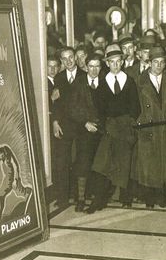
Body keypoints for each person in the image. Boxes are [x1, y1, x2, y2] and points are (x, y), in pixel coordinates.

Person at [89, 44, 141, 213]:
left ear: (123, 63)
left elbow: (136, 106)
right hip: (110, 128)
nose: (116, 65)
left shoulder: (130, 81)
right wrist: (106, 125)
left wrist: (129, 122)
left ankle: (125, 198)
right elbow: (99, 108)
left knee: (124, 163)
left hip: (125, 127)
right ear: (107, 64)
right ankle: (100, 199)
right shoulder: (103, 84)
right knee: (103, 164)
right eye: (112, 62)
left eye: (118, 61)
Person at [132, 46, 166, 208]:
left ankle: (161, 196)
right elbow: (135, 106)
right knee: (148, 165)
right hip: (148, 127)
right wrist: (141, 123)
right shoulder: (139, 81)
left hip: (165, 128)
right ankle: (149, 198)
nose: (159, 66)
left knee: (163, 163)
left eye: (162, 62)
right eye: (156, 62)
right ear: (149, 63)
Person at [51, 47, 87, 207]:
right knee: (62, 161)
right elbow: (56, 104)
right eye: (64, 59)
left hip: (81, 126)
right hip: (64, 125)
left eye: (71, 57)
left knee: (81, 160)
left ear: (76, 58)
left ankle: (80, 197)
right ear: (61, 62)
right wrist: (55, 122)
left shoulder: (85, 76)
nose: (68, 61)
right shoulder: (58, 78)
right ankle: (62, 197)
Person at [68, 54, 104, 212]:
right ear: (86, 66)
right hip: (84, 131)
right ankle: (81, 199)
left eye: (97, 66)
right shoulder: (79, 83)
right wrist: (85, 123)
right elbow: (72, 108)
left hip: (102, 131)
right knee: (83, 164)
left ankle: (97, 199)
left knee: (99, 165)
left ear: (101, 68)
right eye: (91, 66)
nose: (94, 70)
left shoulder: (105, 82)